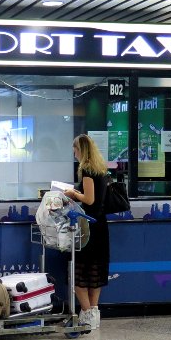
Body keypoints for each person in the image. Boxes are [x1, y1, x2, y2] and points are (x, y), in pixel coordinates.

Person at [62, 134, 110, 330]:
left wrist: (73, 193)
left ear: (81, 150)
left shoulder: (87, 170)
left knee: (79, 272)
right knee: (95, 273)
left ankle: (87, 314)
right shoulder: (100, 169)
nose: (74, 153)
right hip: (101, 226)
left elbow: (88, 200)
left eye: (75, 149)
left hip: (88, 228)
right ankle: (93, 313)